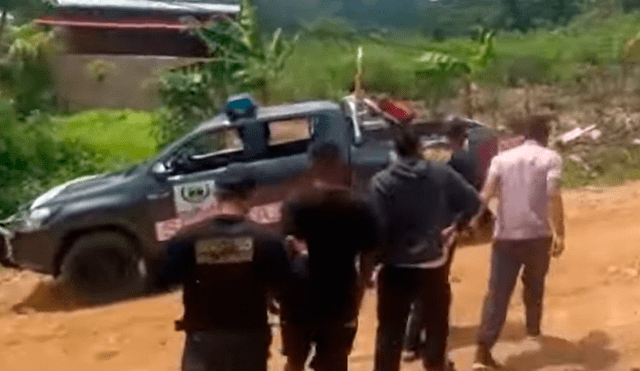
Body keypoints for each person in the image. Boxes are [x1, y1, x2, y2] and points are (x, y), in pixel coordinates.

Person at [156, 166, 291, 371]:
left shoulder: (186, 238)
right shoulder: (267, 240)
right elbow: (283, 287)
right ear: (250, 195)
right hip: (250, 336)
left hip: (203, 338)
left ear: (217, 195)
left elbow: (165, 279)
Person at [371, 128, 481, 371]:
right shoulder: (441, 174)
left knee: (389, 333)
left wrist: (373, 264)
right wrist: (456, 226)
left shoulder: (381, 182)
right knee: (436, 329)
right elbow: (473, 201)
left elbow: (377, 228)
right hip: (433, 264)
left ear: (395, 153)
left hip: (395, 268)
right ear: (420, 150)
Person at [471, 115, 565, 370]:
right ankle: (533, 329)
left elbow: (486, 194)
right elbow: (553, 195)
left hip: (506, 237)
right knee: (534, 283)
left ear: (524, 134)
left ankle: (482, 351)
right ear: (545, 135)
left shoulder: (501, 160)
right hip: (538, 235)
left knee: (497, 293)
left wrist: (471, 221)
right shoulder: (551, 158)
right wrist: (561, 233)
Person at [279, 141, 379, 371]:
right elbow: (368, 256)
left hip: (299, 294)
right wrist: (360, 290)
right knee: (334, 362)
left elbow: (287, 247)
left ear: (312, 165)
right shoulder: (360, 205)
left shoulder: (296, 201)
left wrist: (279, 291)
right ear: (339, 165)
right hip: (340, 292)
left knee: (295, 361)